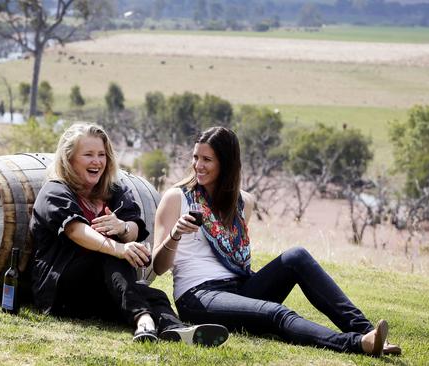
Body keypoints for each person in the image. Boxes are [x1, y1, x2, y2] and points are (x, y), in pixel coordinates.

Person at [152, 126, 402, 356]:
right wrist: (175, 234)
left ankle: (366, 330)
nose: (198, 165)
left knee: (297, 257)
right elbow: (159, 266)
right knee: (276, 313)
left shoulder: (242, 203)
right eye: (196, 157)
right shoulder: (176, 198)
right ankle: (357, 344)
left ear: (226, 164)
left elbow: (235, 258)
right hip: (199, 295)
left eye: (207, 159)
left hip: (240, 287)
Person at [29, 122, 228, 346]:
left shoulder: (113, 191)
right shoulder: (55, 191)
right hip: (59, 291)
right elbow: (77, 231)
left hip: (98, 290)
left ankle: (176, 330)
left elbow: (134, 228)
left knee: (153, 294)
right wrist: (120, 248)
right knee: (109, 253)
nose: (97, 161)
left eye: (102, 154)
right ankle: (143, 319)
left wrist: (122, 228)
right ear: (69, 158)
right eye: (88, 155)